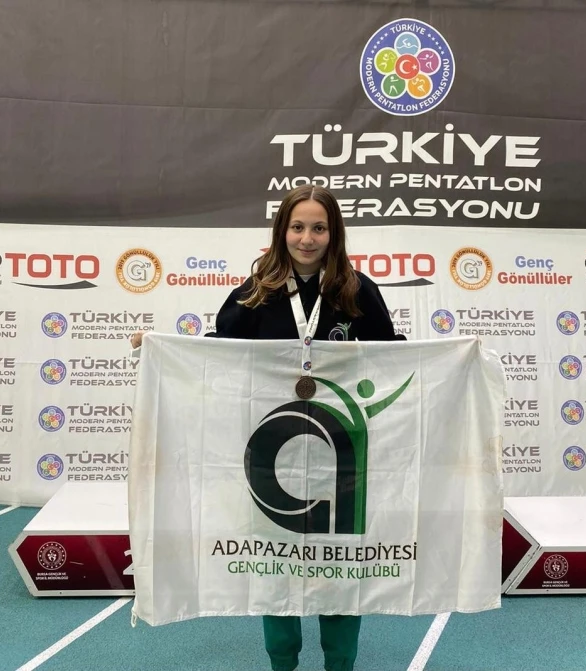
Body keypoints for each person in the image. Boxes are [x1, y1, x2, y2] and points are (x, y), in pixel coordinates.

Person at [130, 184, 398, 671]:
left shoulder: (357, 291)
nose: (307, 238)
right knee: (276, 566)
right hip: (271, 457)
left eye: (319, 228)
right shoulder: (256, 292)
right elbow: (218, 351)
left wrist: (452, 354)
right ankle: (282, 664)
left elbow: (392, 354)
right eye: (298, 227)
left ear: (334, 234)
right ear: (281, 231)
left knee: (341, 569)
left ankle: (341, 664)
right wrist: (160, 347)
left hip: (342, 456)